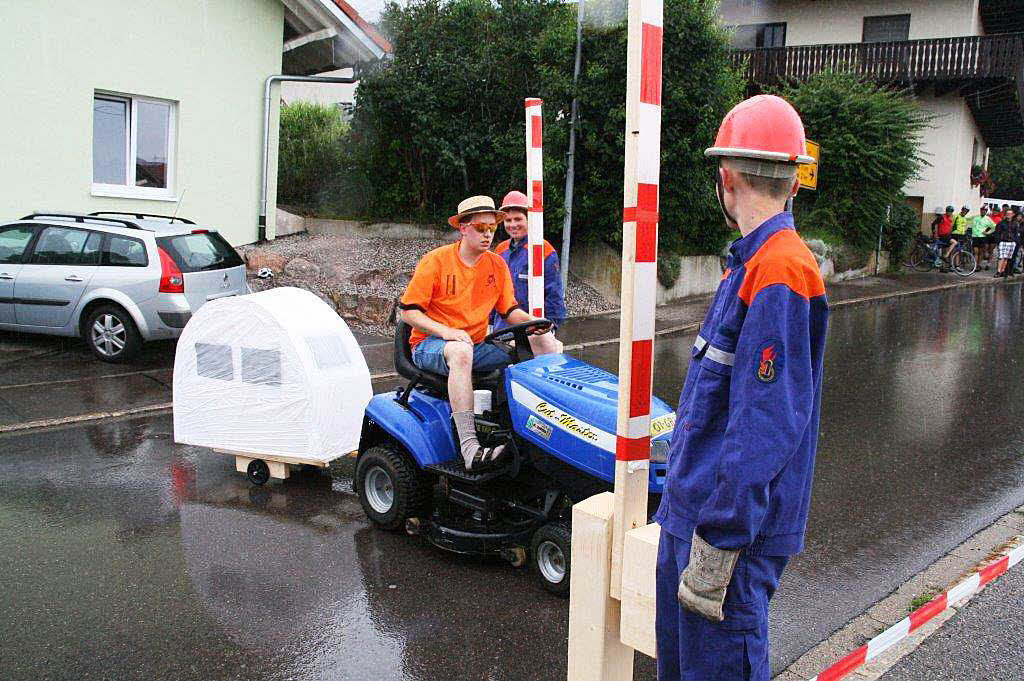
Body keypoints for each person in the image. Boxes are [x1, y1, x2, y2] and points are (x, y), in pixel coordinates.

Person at [654, 95, 828, 681]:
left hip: (726, 537)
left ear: (726, 179)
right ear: (794, 182)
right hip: (694, 515)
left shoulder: (780, 270)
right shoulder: (748, 265)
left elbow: (766, 427)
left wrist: (721, 541)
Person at [399, 195, 553, 471]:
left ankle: (545, 431)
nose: (488, 234)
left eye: (492, 228)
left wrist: (534, 321)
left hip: (476, 343)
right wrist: (447, 332)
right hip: (430, 345)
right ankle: (470, 448)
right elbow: (409, 313)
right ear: (463, 227)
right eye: (481, 228)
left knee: (542, 340)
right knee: (461, 351)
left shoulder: (496, 264)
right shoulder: (436, 261)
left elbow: (510, 311)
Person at [489, 190, 566, 355]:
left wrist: (549, 327)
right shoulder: (500, 251)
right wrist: (488, 324)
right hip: (501, 332)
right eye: (508, 220)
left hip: (532, 333)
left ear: (529, 219)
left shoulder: (544, 251)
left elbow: (554, 295)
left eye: (518, 219)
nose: (513, 224)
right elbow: (493, 292)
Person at [970, 205, 996, 270]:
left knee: (981, 252)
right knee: (975, 252)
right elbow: (968, 222)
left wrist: (987, 232)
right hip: (975, 236)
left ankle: (978, 265)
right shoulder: (975, 217)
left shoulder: (988, 218)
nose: (983, 212)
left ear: (986, 212)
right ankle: (975, 266)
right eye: (982, 210)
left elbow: (993, 226)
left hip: (983, 237)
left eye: (984, 211)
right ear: (980, 210)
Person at [994, 207, 1017, 277]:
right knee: (1001, 257)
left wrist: (1015, 241)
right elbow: (997, 232)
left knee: (1007, 258)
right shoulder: (1001, 223)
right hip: (1003, 241)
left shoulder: (1015, 223)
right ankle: (998, 271)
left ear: (1013, 215)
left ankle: (1003, 271)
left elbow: (1016, 233)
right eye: (1007, 214)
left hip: (1011, 242)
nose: (1008, 215)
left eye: (1010, 214)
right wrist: (998, 241)